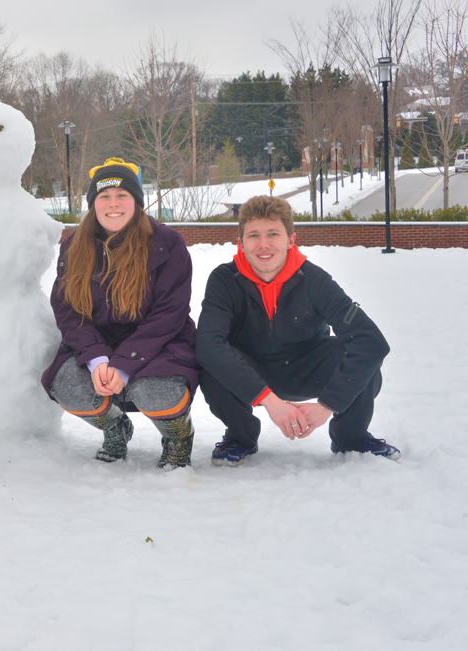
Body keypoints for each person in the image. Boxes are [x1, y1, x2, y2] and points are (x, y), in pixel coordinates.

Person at [197, 195, 399, 466]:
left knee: (358, 355)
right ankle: (240, 437)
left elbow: (371, 342)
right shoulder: (224, 280)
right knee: (209, 362)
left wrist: (328, 405)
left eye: (273, 234)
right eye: (254, 235)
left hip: (306, 367)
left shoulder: (314, 280)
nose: (264, 244)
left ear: (291, 239)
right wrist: (267, 398)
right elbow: (209, 345)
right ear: (241, 242)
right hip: (251, 370)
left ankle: (351, 438)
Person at [41, 158, 198, 468]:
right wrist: (97, 357)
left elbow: (170, 312)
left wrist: (125, 364)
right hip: (97, 342)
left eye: (122, 195)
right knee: (69, 384)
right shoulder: (74, 246)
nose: (113, 204)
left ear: (137, 201)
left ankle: (179, 437)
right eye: (104, 197)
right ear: (93, 203)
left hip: (160, 344)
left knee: (156, 391)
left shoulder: (167, 243)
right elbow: (68, 309)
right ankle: (115, 428)